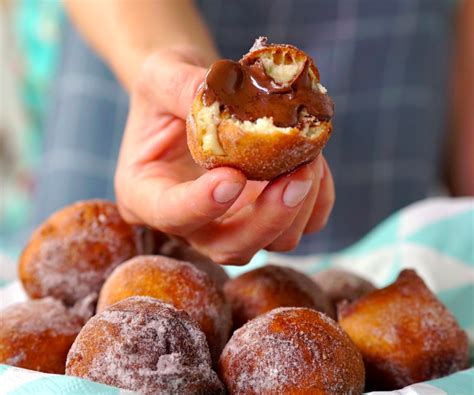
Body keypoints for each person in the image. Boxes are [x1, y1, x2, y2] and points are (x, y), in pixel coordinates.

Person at [31, 0, 473, 264]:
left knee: (366, 305)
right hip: (140, 51)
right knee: (100, 284)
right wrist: (168, 66)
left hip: (388, 47)